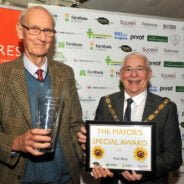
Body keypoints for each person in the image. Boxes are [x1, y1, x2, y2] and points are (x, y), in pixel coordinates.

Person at [0, 6, 84, 184]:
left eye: (48, 30)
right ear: (20, 31)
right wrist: (16, 143)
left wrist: (92, 151)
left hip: (66, 179)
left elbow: (75, 124)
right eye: (34, 29)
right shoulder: (2, 76)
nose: (42, 37)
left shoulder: (66, 73)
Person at [77, 52, 182, 184]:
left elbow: (173, 157)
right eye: (128, 69)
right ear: (121, 75)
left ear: (149, 74)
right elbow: (96, 148)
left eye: (140, 69)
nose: (133, 74)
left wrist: (144, 170)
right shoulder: (106, 103)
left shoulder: (166, 108)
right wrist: (93, 160)